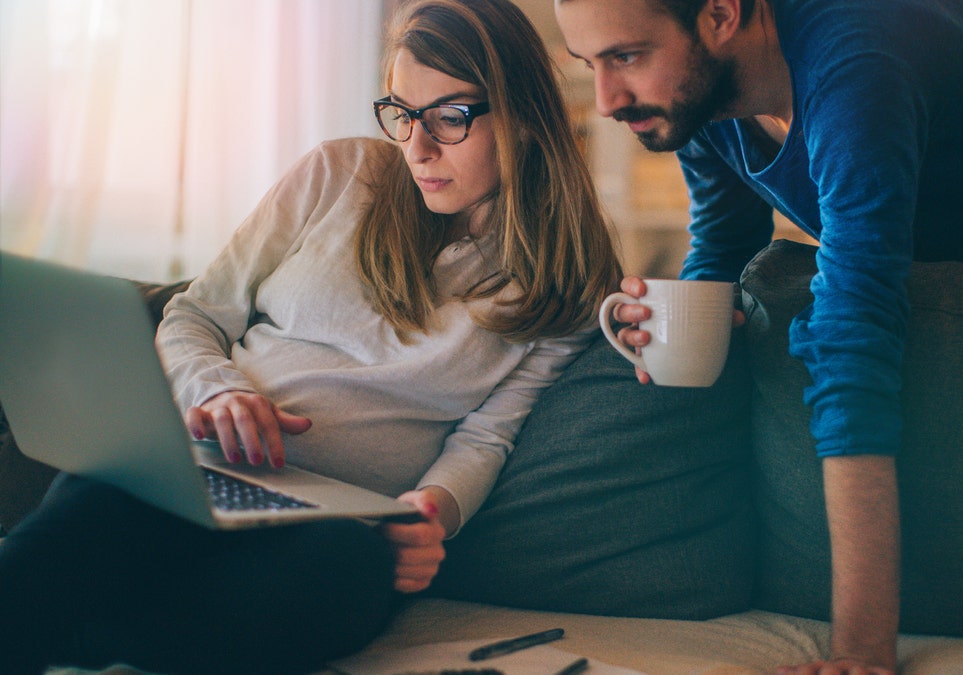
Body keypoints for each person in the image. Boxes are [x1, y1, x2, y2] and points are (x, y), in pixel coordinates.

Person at [553, 0, 963, 673]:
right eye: (589, 64)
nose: (605, 100)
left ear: (720, 13)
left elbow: (852, 334)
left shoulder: (858, 56)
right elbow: (723, 236)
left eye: (626, 57)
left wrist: (860, 648)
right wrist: (681, 327)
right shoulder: (693, 98)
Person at [0, 0, 621, 672]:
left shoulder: (569, 283)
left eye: (449, 116)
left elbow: (487, 435)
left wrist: (433, 512)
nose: (418, 147)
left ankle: (81, 637)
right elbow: (194, 316)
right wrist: (220, 388)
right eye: (403, 115)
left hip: (331, 526)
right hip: (203, 468)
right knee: (105, 503)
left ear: (524, 114)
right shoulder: (336, 176)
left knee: (348, 576)